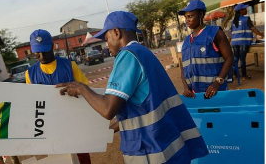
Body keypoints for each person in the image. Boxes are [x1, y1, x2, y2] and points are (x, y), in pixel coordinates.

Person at [56, 11, 208, 164]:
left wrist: (82, 89)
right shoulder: (144, 53)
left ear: (116, 32)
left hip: (150, 151)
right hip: (168, 146)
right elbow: (140, 111)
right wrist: (104, 131)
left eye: (106, 38)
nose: (107, 45)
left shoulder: (127, 56)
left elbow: (108, 109)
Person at [25, 29, 91, 164]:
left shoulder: (69, 65)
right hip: (50, 126)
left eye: (45, 50)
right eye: (37, 51)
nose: (42, 55)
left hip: (74, 122)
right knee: (59, 158)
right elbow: (32, 104)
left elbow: (87, 91)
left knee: (81, 156)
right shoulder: (30, 74)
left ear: (52, 46)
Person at [178, 0, 234, 98]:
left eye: (190, 16)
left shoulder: (215, 33)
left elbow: (229, 58)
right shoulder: (186, 40)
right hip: (195, 96)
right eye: (185, 17)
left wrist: (218, 82)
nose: (187, 20)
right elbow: (183, 66)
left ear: (200, 14)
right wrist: (186, 87)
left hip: (215, 93)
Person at [230, 3, 264, 81]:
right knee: (242, 59)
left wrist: (229, 41)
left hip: (235, 43)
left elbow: (231, 33)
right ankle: (244, 76)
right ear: (241, 11)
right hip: (243, 42)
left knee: (236, 59)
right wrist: (261, 35)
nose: (246, 10)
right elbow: (253, 28)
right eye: (244, 9)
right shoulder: (246, 19)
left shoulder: (233, 21)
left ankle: (235, 74)